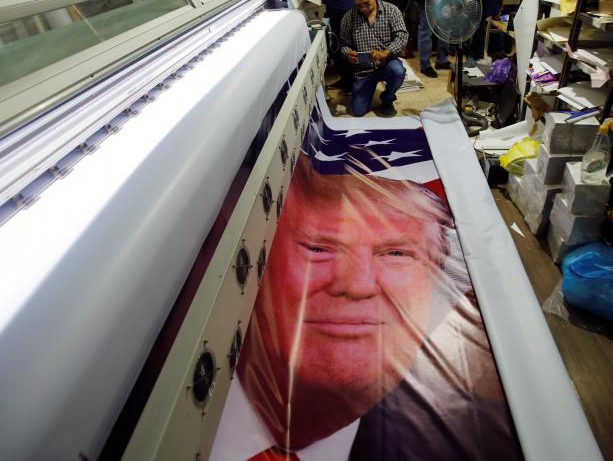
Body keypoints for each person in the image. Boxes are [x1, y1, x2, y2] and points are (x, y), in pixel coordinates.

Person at [210, 154, 521, 460]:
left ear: (436, 268)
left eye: (396, 254)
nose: (357, 285)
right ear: (252, 259)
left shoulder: (483, 441)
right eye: (318, 248)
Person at [340, 0, 409, 117]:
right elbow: (343, 44)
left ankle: (387, 98)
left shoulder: (391, 10)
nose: (364, 8)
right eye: (359, 5)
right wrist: (348, 54)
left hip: (386, 63)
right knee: (358, 111)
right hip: (363, 70)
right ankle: (366, 91)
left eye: (366, 3)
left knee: (398, 71)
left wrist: (385, 53)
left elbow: (402, 36)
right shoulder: (348, 18)